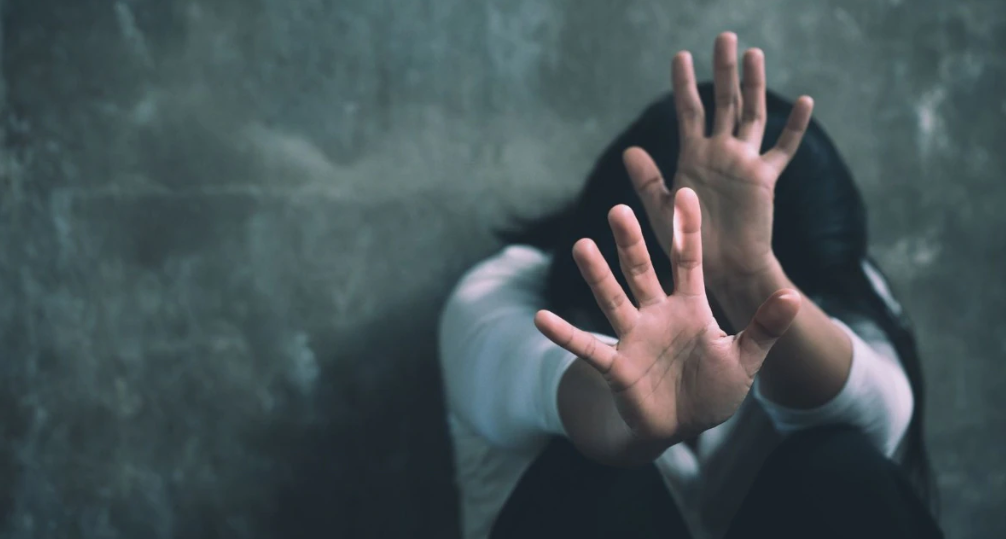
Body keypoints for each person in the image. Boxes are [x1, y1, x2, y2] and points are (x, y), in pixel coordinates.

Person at [438, 32, 943, 539]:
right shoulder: (498, 294)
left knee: (840, 466)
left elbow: (877, 421)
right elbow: (543, 378)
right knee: (591, 471)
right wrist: (631, 415)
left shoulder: (837, 281)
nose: (718, 330)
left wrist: (746, 274)